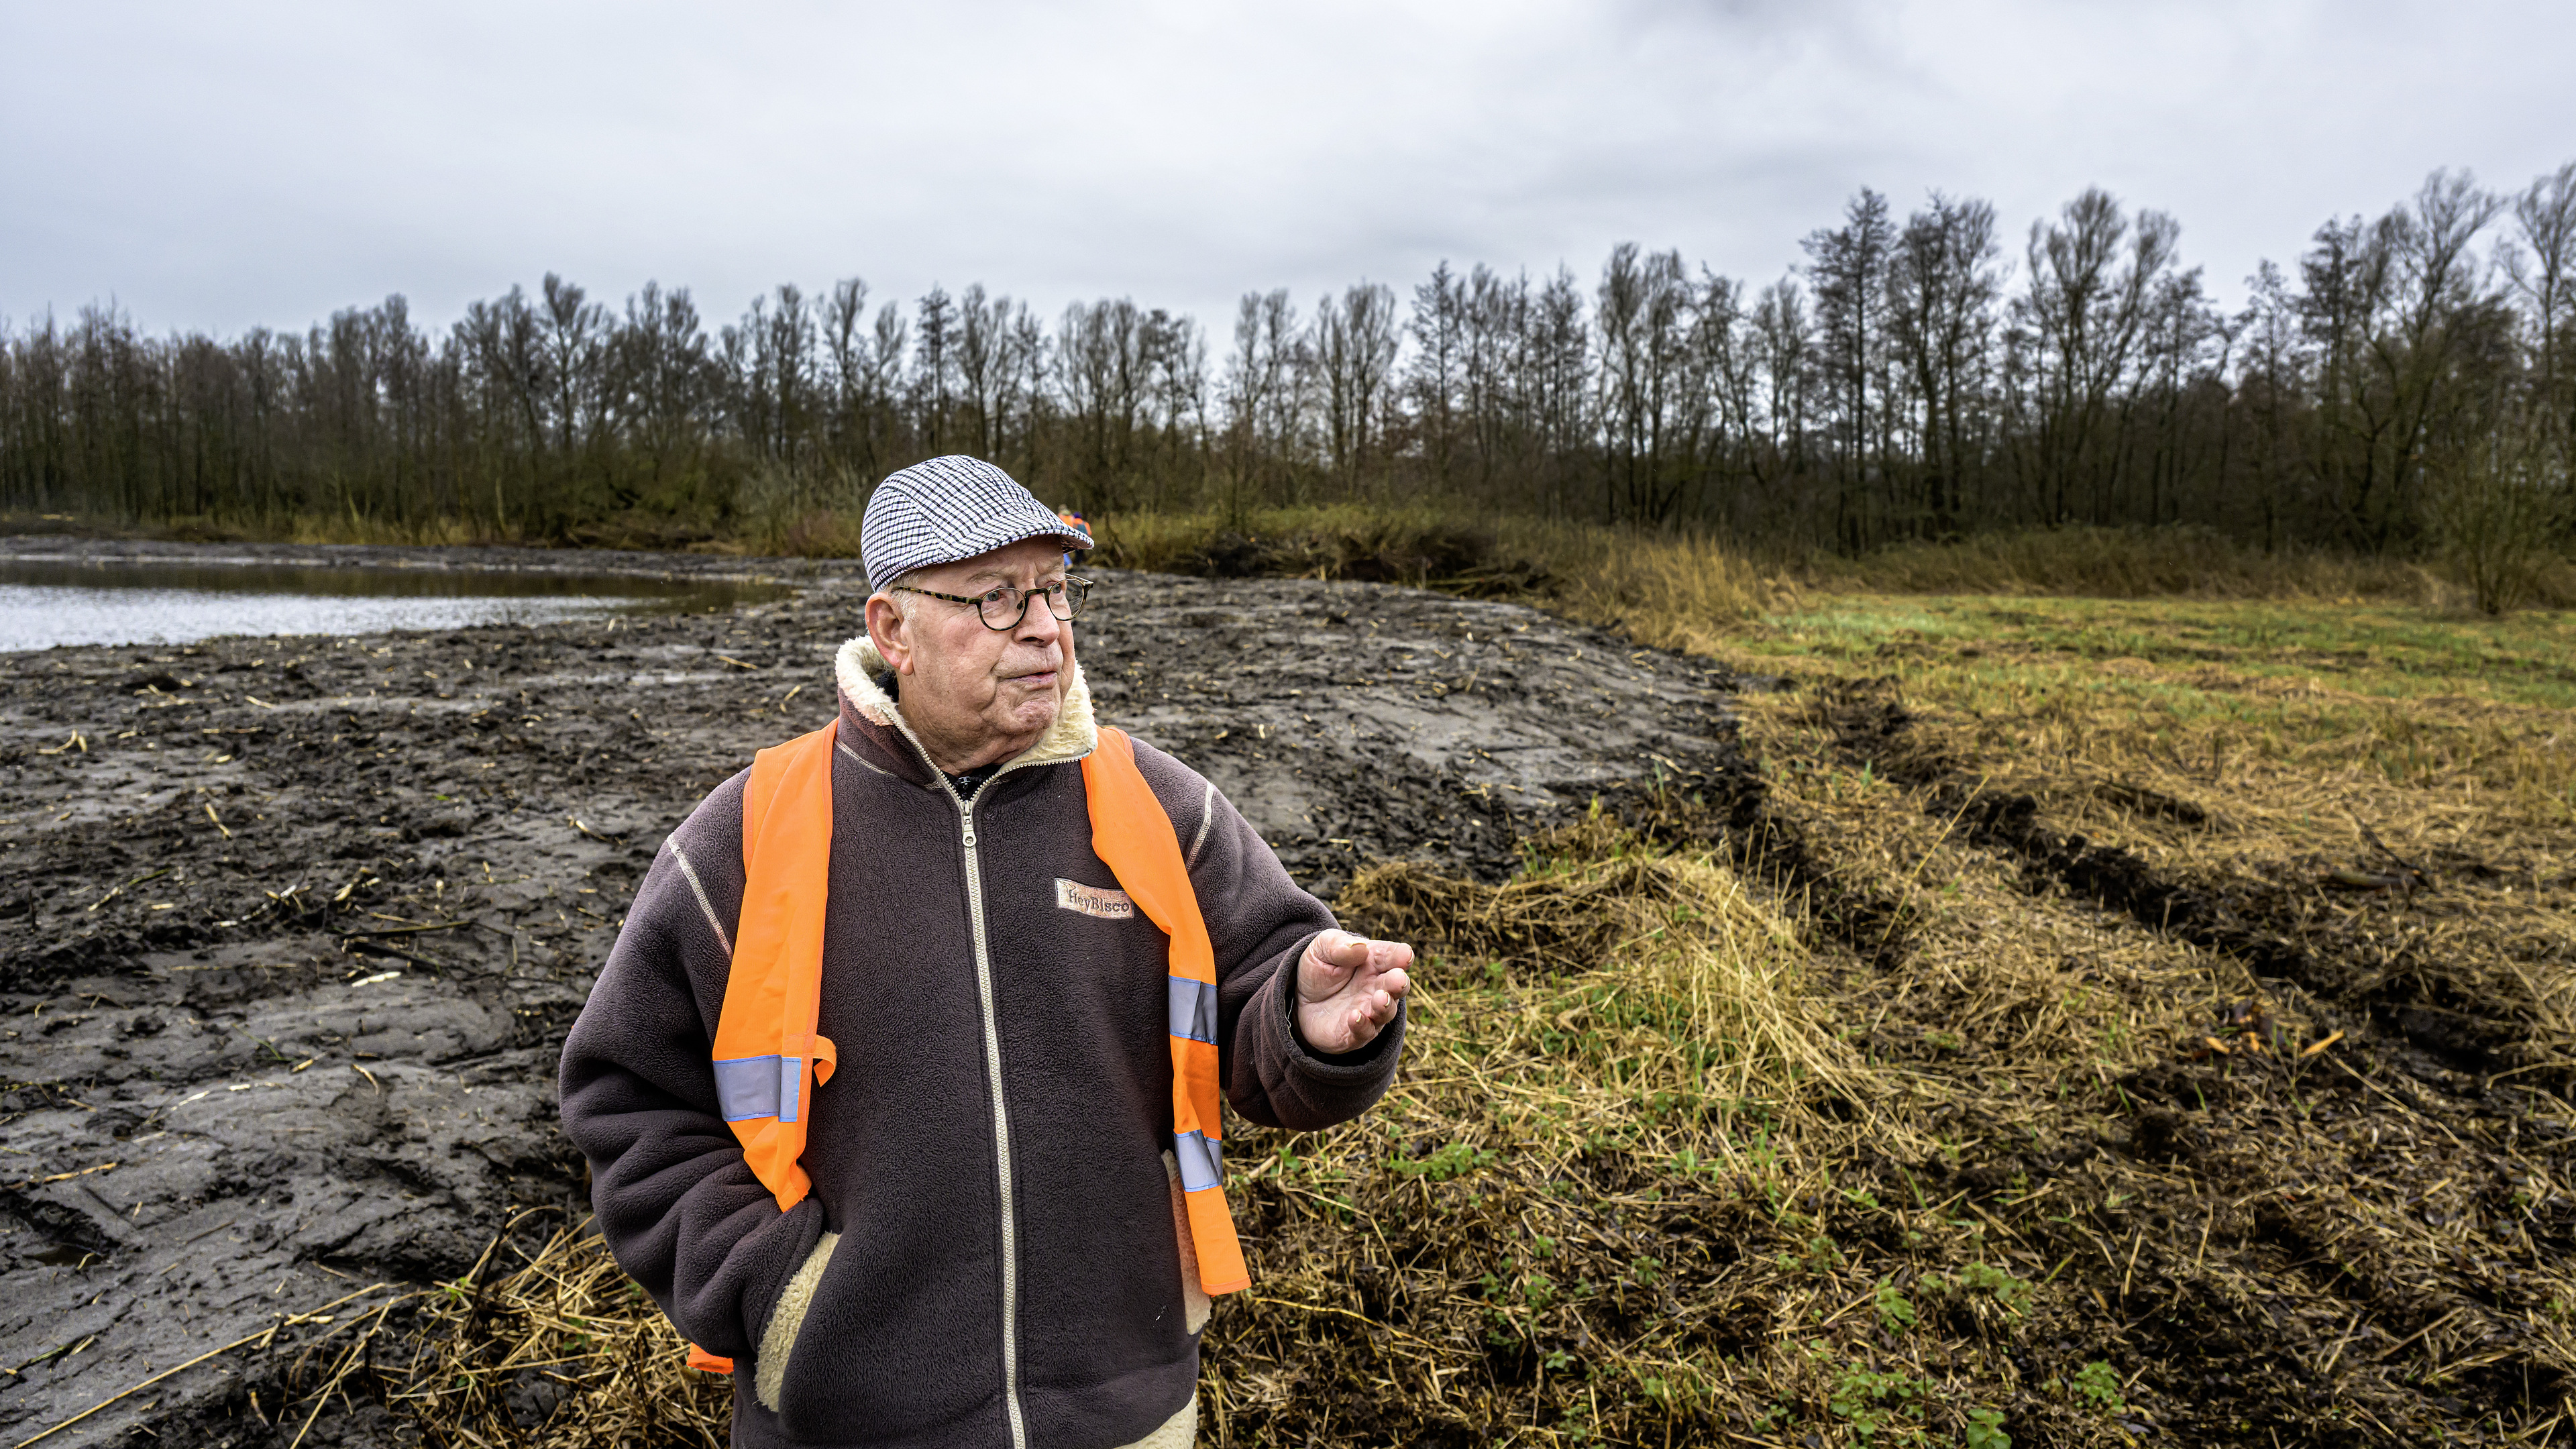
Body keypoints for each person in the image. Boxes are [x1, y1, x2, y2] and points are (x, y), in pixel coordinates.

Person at [559, 455, 1413, 1449]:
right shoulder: (750, 836)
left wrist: (1311, 1027)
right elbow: (624, 1097)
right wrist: (782, 1303)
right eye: (998, 599)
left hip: (1128, 1414)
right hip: (849, 1425)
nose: (1047, 627)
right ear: (893, 631)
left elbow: (1263, 1023)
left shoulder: (1161, 809)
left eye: (1055, 590)